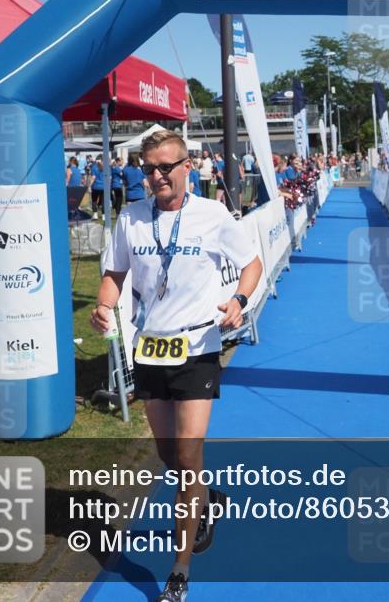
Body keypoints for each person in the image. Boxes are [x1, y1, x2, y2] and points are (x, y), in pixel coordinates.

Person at [90, 130, 262, 602]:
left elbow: (251, 264)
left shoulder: (212, 215)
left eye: (166, 167)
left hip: (198, 346)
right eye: (149, 168)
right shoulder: (131, 218)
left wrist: (239, 300)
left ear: (188, 166)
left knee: (187, 460)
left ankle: (179, 572)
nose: (157, 176)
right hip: (150, 348)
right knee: (171, 458)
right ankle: (207, 498)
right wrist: (104, 305)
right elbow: (114, 274)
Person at [90, 155, 106, 221]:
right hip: (103, 187)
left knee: (94, 200)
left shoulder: (94, 167)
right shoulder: (106, 167)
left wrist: (89, 186)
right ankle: (104, 216)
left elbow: (93, 177)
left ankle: (95, 214)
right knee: (103, 201)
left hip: (95, 187)